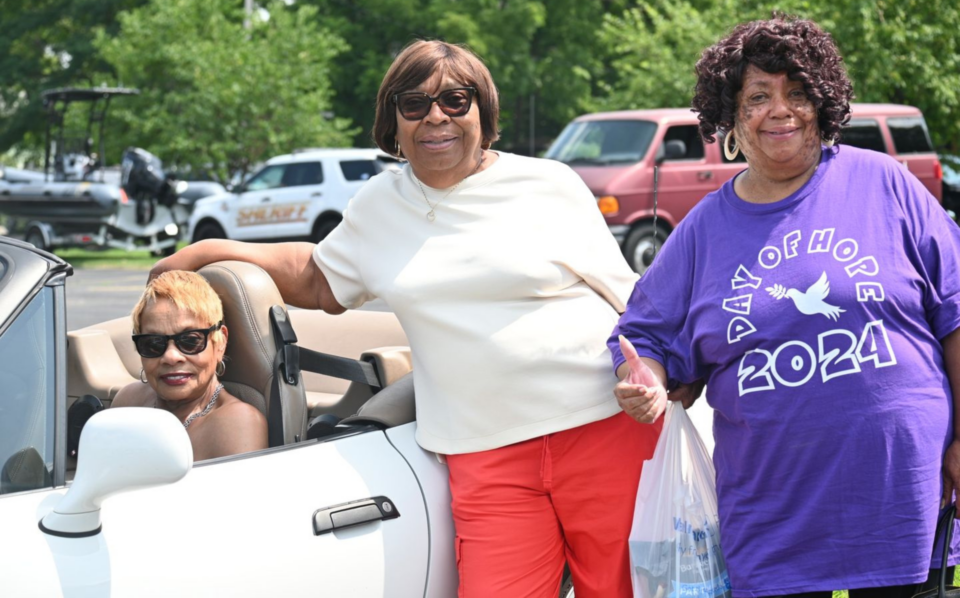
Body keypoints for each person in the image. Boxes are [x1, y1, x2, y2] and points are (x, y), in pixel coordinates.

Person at [149, 39, 661, 597]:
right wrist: (207, 250)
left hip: (601, 429)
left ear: (483, 113)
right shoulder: (380, 203)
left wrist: (654, 375)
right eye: (414, 104)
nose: (435, 116)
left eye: (455, 100)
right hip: (483, 453)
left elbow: (633, 303)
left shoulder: (549, 184)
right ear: (393, 121)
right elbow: (319, 277)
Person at [610, 14, 960, 598]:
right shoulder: (702, 233)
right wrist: (641, 376)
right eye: (757, 97)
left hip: (903, 505)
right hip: (776, 525)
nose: (781, 110)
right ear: (729, 116)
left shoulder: (885, 184)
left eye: (798, 93)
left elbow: (955, 311)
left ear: (823, 105)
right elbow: (642, 336)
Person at [113, 270, 268, 461]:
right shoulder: (128, 402)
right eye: (153, 343)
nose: (171, 357)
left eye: (189, 341)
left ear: (220, 343)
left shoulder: (239, 422)